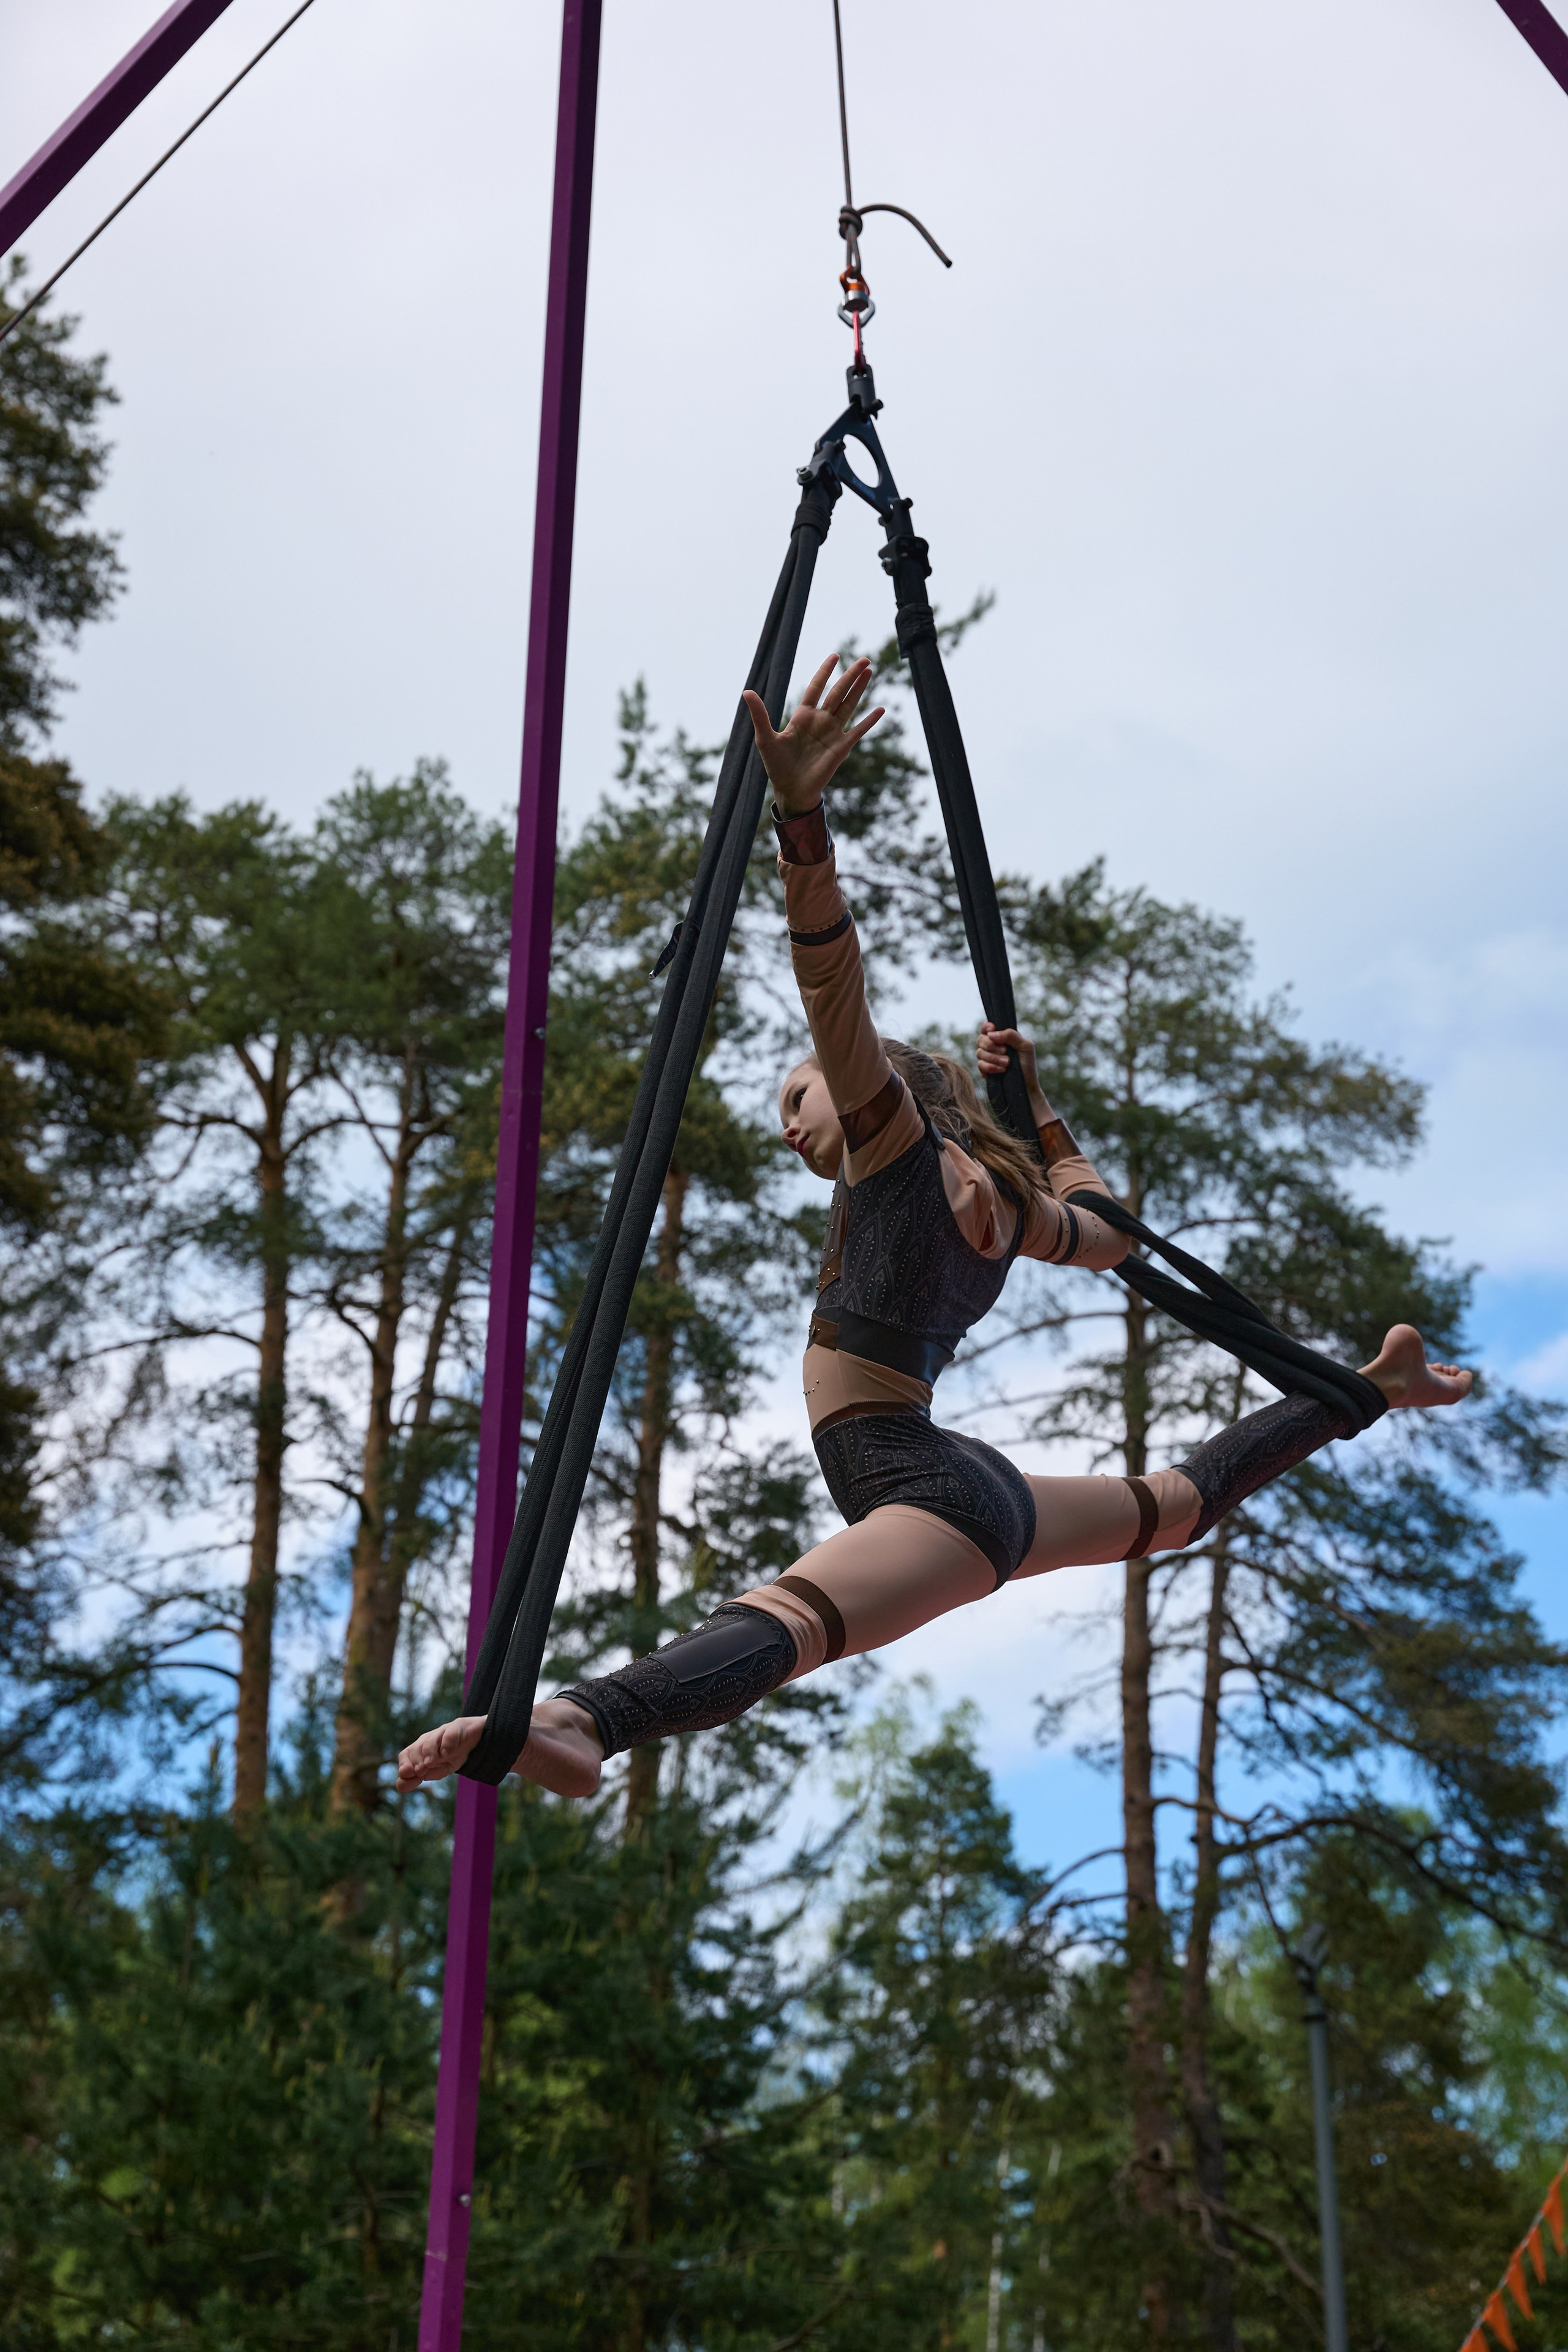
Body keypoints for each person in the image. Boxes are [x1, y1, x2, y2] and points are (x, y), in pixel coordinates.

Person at [398, 656, 1470, 1801]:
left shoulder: (900, 1149)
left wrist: (801, 823)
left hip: (924, 1487)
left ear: (874, 1087)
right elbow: (1111, 1227)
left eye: (795, 1100)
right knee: (1175, 1507)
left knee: (793, 1622)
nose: (788, 1128)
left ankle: (583, 1720)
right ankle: (1365, 1387)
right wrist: (1041, 1110)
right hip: (971, 1480)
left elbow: (834, 992)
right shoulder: (1012, 1211)